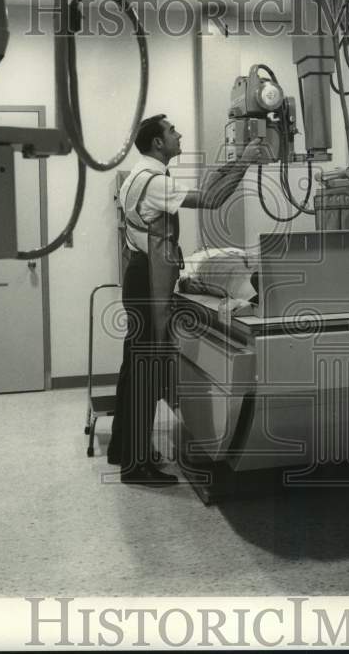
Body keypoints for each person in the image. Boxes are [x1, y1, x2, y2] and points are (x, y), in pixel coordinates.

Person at [107, 114, 264, 484]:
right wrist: (246, 161)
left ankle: (124, 449)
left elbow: (206, 186)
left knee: (134, 367)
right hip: (149, 282)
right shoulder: (156, 182)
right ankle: (136, 467)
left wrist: (236, 159)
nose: (179, 135)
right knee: (146, 368)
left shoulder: (139, 176)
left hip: (138, 275)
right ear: (158, 143)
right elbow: (211, 199)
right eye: (172, 131)